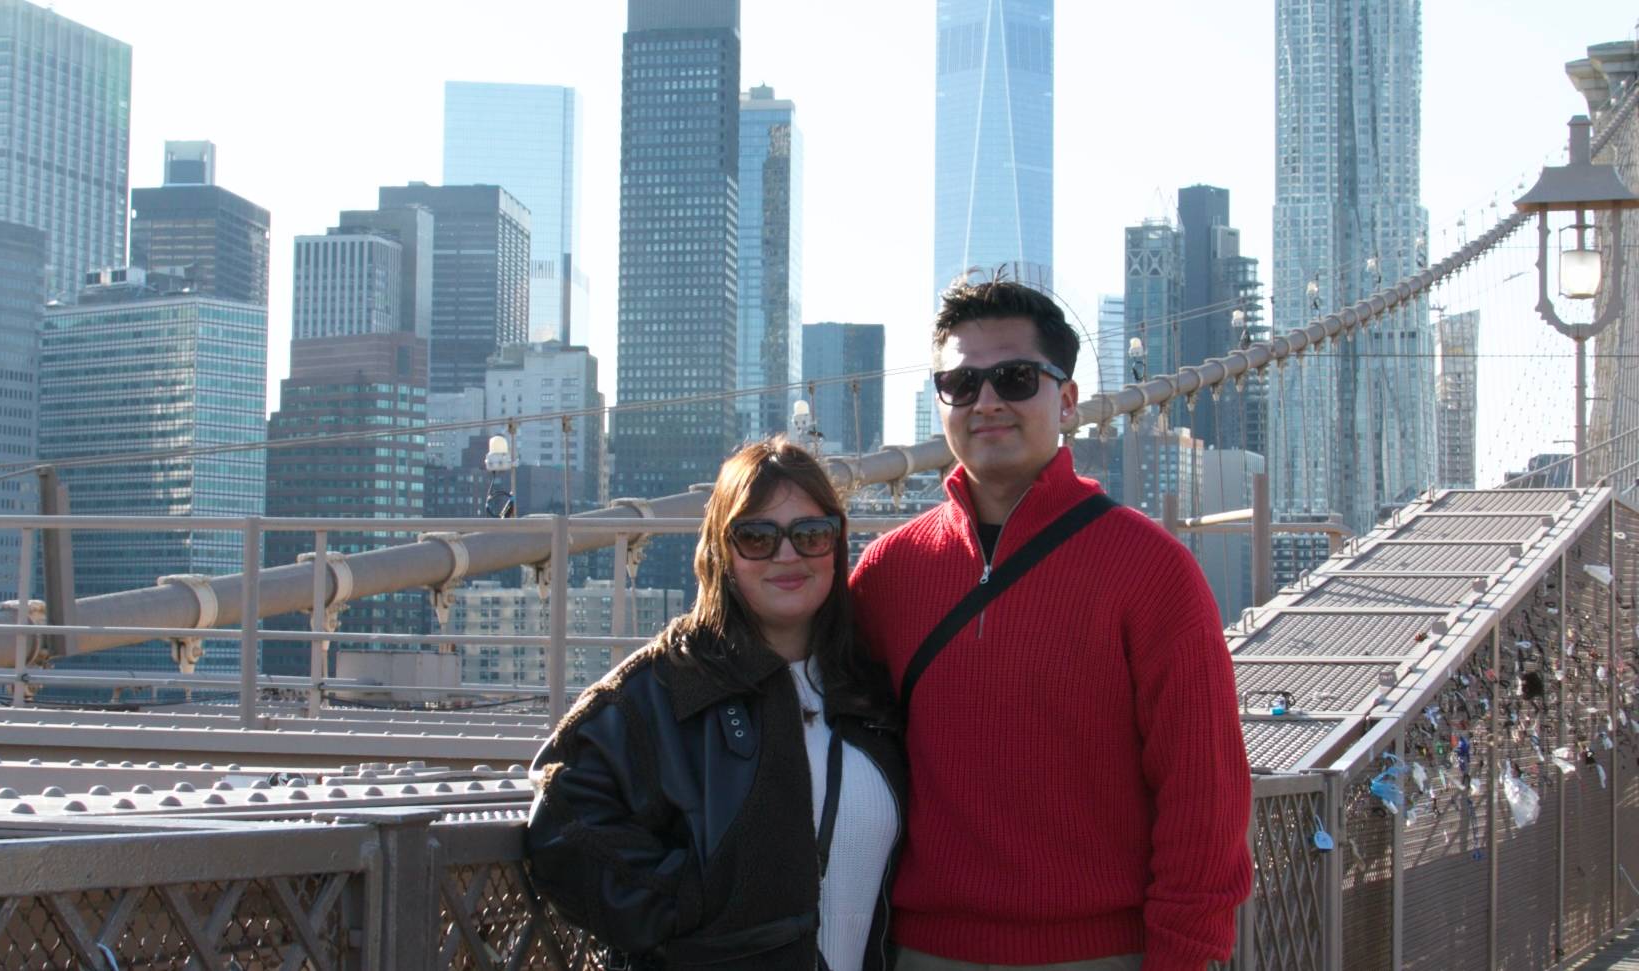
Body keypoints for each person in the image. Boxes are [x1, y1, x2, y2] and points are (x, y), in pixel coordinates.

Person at [850, 274, 1252, 971]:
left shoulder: (1154, 572)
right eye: (961, 384)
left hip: (1100, 955)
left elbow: (1204, 798)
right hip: (921, 953)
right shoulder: (888, 572)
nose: (987, 402)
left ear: (1066, 401)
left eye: (1014, 378)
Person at [527, 438, 906, 971]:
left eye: (812, 534)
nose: (788, 555)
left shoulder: (868, 689)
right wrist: (693, 907)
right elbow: (561, 817)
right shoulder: (664, 686)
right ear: (719, 551)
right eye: (755, 536)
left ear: (837, 545)